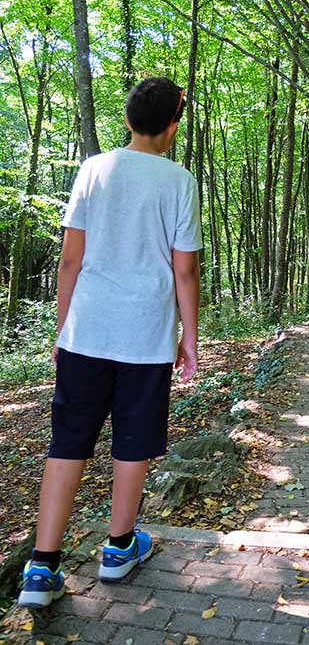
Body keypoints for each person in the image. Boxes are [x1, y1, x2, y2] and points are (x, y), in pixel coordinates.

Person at [17, 77, 201, 608]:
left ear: (127, 120)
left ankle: (41, 568)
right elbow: (183, 270)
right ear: (172, 125)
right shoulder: (178, 181)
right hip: (144, 334)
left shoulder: (92, 170)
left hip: (87, 329)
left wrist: (63, 327)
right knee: (133, 440)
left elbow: (70, 258)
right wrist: (190, 337)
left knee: (68, 439)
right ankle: (119, 549)